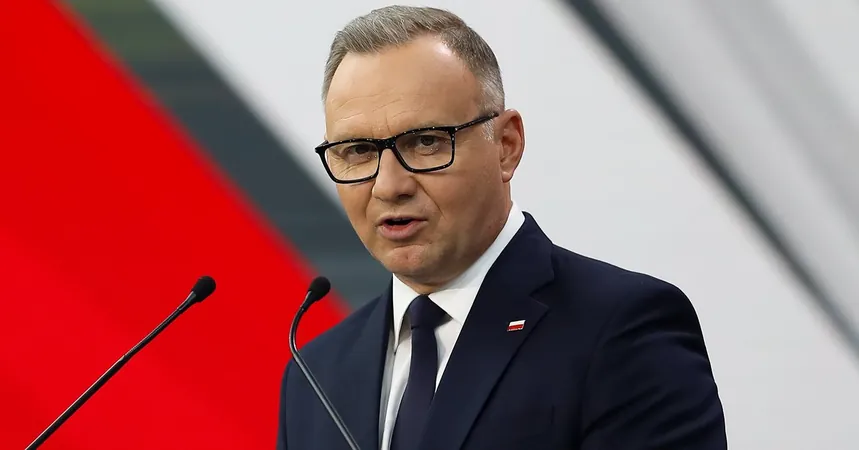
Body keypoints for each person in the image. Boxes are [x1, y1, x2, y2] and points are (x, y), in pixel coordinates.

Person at [276, 5, 726, 450]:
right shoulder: (316, 374)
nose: (389, 186)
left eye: (426, 142)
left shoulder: (621, 329)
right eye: (357, 151)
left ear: (506, 146)